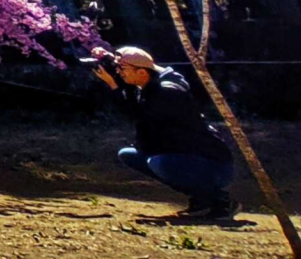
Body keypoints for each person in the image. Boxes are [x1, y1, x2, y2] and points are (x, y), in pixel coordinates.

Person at [90, 46, 237, 220]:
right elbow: (144, 69)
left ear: (143, 73)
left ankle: (220, 201)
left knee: (158, 162)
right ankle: (202, 199)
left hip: (212, 163)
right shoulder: (147, 82)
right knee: (129, 155)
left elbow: (137, 114)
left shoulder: (166, 92)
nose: (119, 72)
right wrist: (110, 57)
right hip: (184, 155)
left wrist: (114, 86)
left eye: (122, 69)